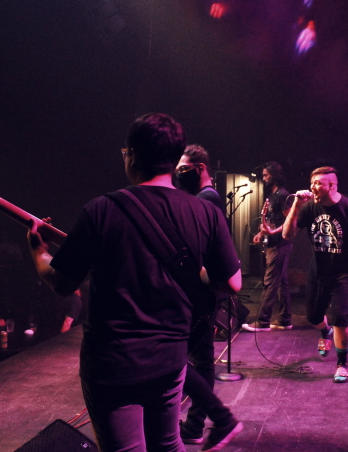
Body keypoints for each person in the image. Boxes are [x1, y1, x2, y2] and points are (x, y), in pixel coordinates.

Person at [27, 113, 243, 452]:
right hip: (171, 357)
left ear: (131, 156)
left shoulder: (100, 210)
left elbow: (62, 282)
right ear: (175, 162)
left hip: (113, 363)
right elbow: (231, 284)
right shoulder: (205, 212)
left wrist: (39, 253)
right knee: (168, 445)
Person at [282, 166, 348, 383]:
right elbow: (287, 235)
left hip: (343, 274)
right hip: (317, 272)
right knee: (313, 317)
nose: (313, 187)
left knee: (340, 319)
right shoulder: (309, 207)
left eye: (318, 184)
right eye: (312, 183)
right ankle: (325, 333)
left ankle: (342, 364)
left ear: (332, 186)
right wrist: (296, 205)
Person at [174, 144, 239, 446]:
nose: (178, 174)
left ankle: (209, 421)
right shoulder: (203, 198)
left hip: (200, 296)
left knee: (179, 360)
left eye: (183, 169)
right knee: (199, 361)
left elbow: (206, 253)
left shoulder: (207, 199)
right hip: (204, 294)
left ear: (200, 169)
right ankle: (196, 424)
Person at [243, 162, 294, 331]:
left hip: (280, 244)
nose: (263, 178)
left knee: (270, 281)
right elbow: (272, 221)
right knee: (281, 283)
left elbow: (290, 221)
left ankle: (263, 321)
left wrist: (273, 233)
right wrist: (261, 234)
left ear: (275, 175)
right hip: (275, 243)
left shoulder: (283, 195)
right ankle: (285, 320)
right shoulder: (273, 195)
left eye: (266, 175)